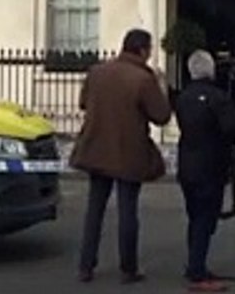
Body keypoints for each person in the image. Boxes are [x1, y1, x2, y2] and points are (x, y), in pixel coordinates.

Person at [71, 28, 173, 284]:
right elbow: (161, 116)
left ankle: (86, 265)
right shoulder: (142, 78)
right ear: (142, 50)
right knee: (128, 211)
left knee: (94, 210)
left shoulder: (97, 72)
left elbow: (83, 103)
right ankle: (128, 268)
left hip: (96, 147)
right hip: (128, 151)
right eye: (149, 50)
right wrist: (160, 86)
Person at [175, 50, 235, 292]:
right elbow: (233, 125)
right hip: (210, 166)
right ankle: (197, 272)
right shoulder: (216, 97)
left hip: (187, 164)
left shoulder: (184, 97)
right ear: (210, 69)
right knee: (206, 218)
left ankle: (195, 263)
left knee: (195, 217)